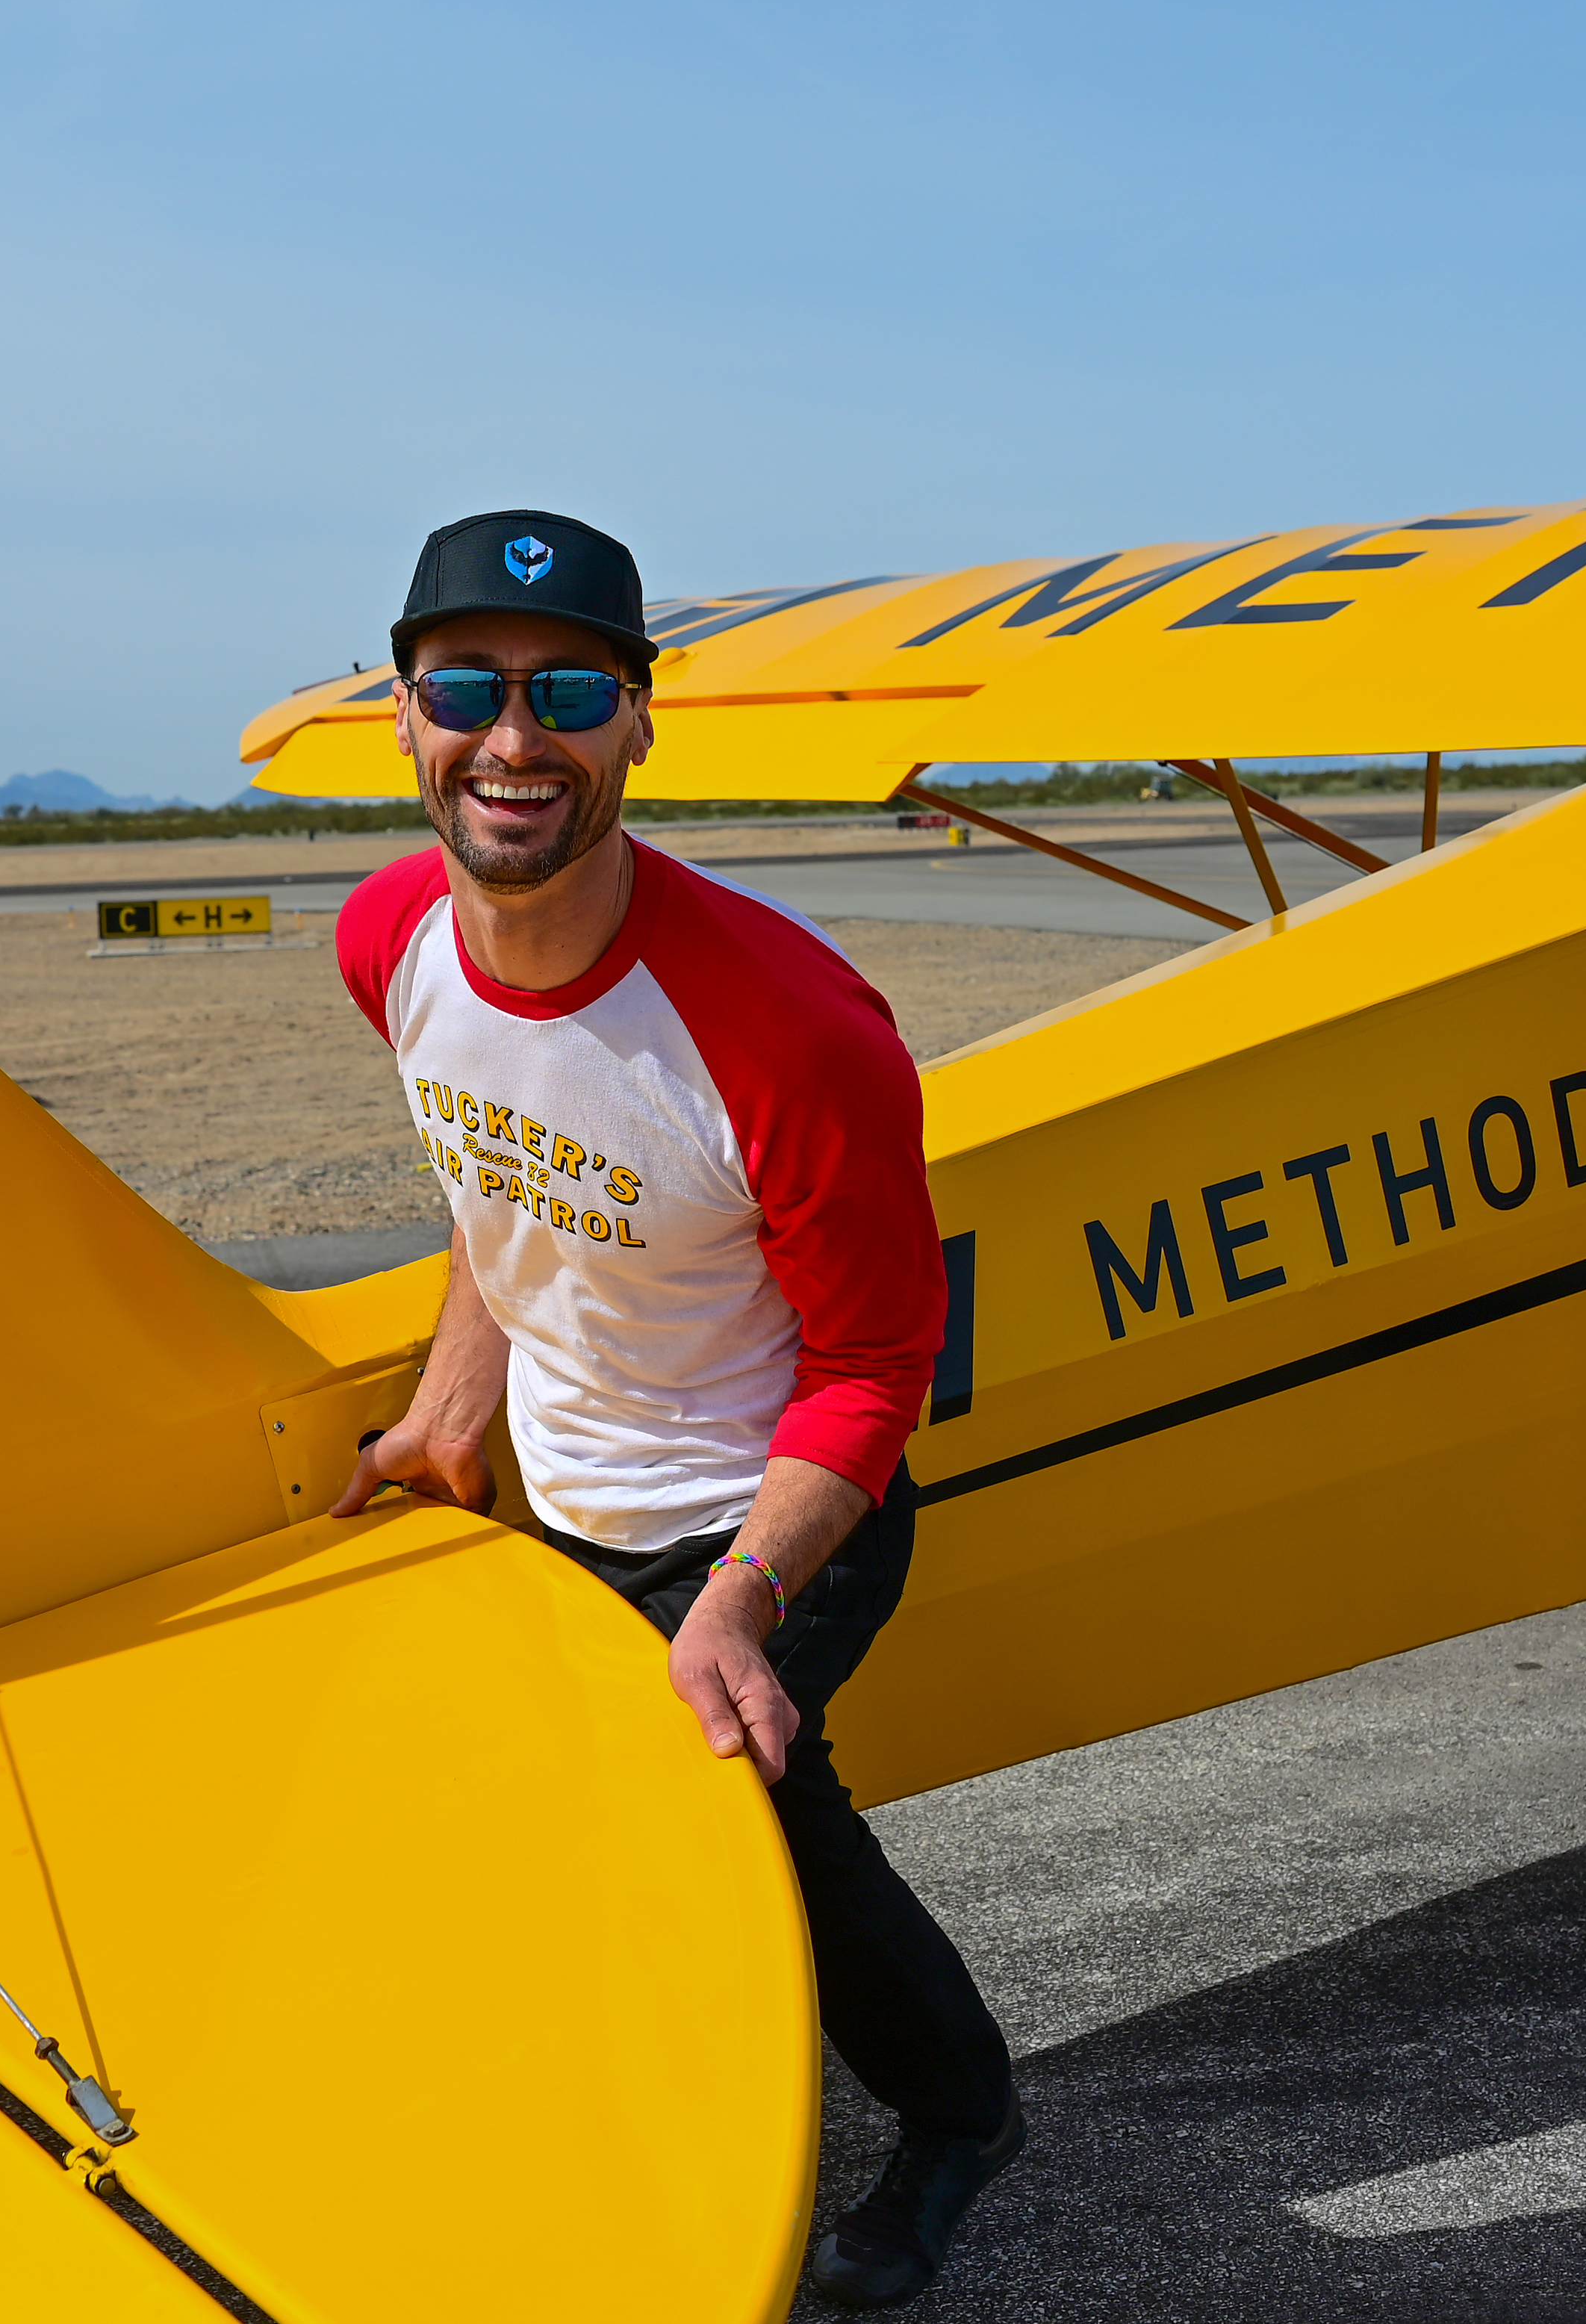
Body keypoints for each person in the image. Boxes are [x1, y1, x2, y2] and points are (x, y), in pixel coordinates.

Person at [325, 509, 1024, 2308]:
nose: (512, 738)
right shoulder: (389, 940)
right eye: (463, 688)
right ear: (399, 716)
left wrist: (741, 1601)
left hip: (768, 1505)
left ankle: (958, 2121)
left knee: (758, 1823)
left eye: (567, 692)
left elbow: (878, 1372)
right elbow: (506, 1198)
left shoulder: (792, 1031)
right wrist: (437, 1415)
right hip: (571, 1492)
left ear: (640, 722)